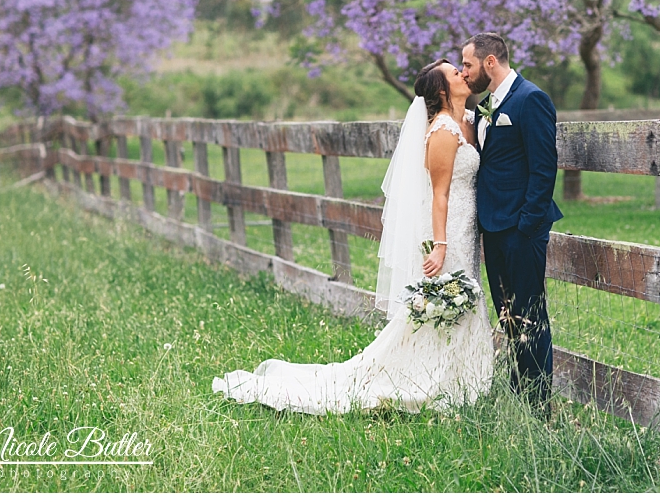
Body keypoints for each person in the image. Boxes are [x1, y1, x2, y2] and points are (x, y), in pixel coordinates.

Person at [212, 60, 494, 414]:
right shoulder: (442, 131)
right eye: (455, 73)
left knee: (463, 297)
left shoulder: (468, 120)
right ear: (441, 90)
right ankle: (430, 379)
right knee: (448, 297)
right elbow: (439, 194)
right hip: (445, 229)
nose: (463, 74)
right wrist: (439, 245)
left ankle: (460, 377)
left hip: (464, 226)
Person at [461, 32, 563, 419]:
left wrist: (527, 225)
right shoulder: (487, 105)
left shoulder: (530, 99)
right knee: (509, 316)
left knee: (531, 316)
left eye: (468, 64)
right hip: (494, 227)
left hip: (521, 229)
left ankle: (538, 407)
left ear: (490, 62)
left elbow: (544, 168)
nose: (464, 72)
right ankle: (520, 396)